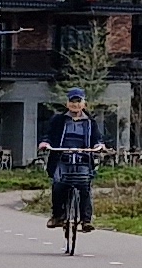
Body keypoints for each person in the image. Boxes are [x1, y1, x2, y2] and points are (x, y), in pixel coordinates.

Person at [42, 95, 104, 246]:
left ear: (84, 104)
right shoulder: (58, 120)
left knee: (84, 187)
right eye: (72, 102)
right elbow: (48, 136)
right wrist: (45, 143)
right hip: (62, 157)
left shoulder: (90, 122)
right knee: (58, 185)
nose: (75, 105)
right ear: (67, 103)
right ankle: (58, 216)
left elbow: (98, 139)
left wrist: (99, 146)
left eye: (78, 102)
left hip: (83, 159)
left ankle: (86, 220)